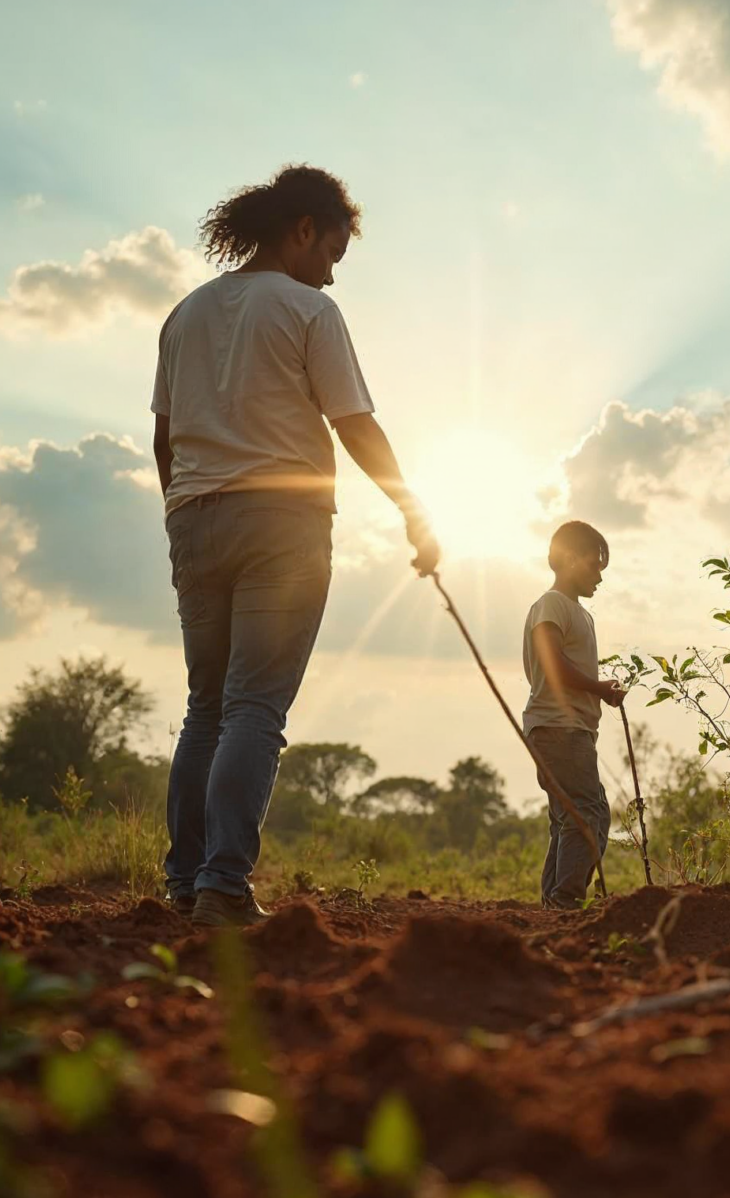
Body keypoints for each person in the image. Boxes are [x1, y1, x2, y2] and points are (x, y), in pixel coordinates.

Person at [152, 165, 440, 929]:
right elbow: (353, 424)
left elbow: (162, 438)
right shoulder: (307, 310)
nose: (333, 276)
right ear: (305, 229)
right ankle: (222, 884)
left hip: (193, 518)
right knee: (254, 709)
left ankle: (185, 883)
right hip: (282, 525)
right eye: (333, 255)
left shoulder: (185, 314)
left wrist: (181, 514)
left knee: (205, 708)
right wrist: (415, 512)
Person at [523, 521, 625, 909]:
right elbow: (552, 662)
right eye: (594, 565)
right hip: (558, 729)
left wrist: (600, 692)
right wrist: (598, 688)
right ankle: (566, 901)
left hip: (572, 730)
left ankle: (554, 906)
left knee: (568, 820)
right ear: (568, 558)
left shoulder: (580, 614)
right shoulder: (552, 604)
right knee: (590, 815)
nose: (599, 576)